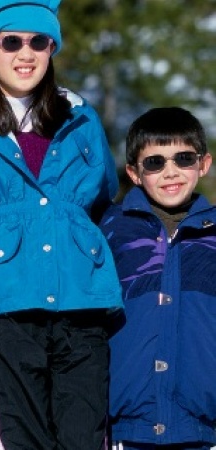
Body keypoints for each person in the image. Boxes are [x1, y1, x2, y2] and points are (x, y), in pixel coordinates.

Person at [0, 0, 124, 448]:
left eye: (38, 41)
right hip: (6, 313)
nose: (26, 53)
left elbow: (101, 195)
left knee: (84, 437)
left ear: (52, 48)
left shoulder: (82, 120)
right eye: (11, 41)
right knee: (23, 440)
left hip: (82, 306)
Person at [99, 107, 215, 450]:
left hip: (202, 427)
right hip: (128, 427)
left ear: (203, 164)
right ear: (134, 172)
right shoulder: (111, 227)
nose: (171, 172)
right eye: (155, 163)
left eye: (183, 158)